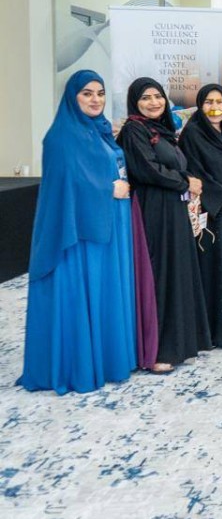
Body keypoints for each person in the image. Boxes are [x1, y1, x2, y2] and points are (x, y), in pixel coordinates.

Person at [18, 70, 139, 393]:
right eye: (87, 93)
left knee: (105, 291)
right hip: (80, 232)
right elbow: (63, 187)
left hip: (108, 224)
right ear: (72, 97)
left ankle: (108, 357)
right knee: (86, 292)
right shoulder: (60, 137)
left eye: (100, 93)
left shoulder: (99, 131)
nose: (95, 99)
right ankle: (81, 365)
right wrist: (107, 189)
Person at [119, 77, 211, 372]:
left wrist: (187, 180)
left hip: (172, 207)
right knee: (159, 274)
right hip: (153, 209)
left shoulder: (159, 130)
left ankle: (179, 344)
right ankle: (158, 350)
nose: (154, 102)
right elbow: (147, 169)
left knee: (176, 271)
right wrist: (185, 181)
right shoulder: (134, 130)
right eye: (145, 98)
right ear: (135, 102)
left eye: (158, 96)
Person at [178, 84, 222, 349]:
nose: (215, 107)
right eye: (208, 102)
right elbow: (195, 173)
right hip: (211, 211)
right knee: (214, 269)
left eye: (220, 102)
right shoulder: (193, 134)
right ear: (200, 105)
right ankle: (216, 333)